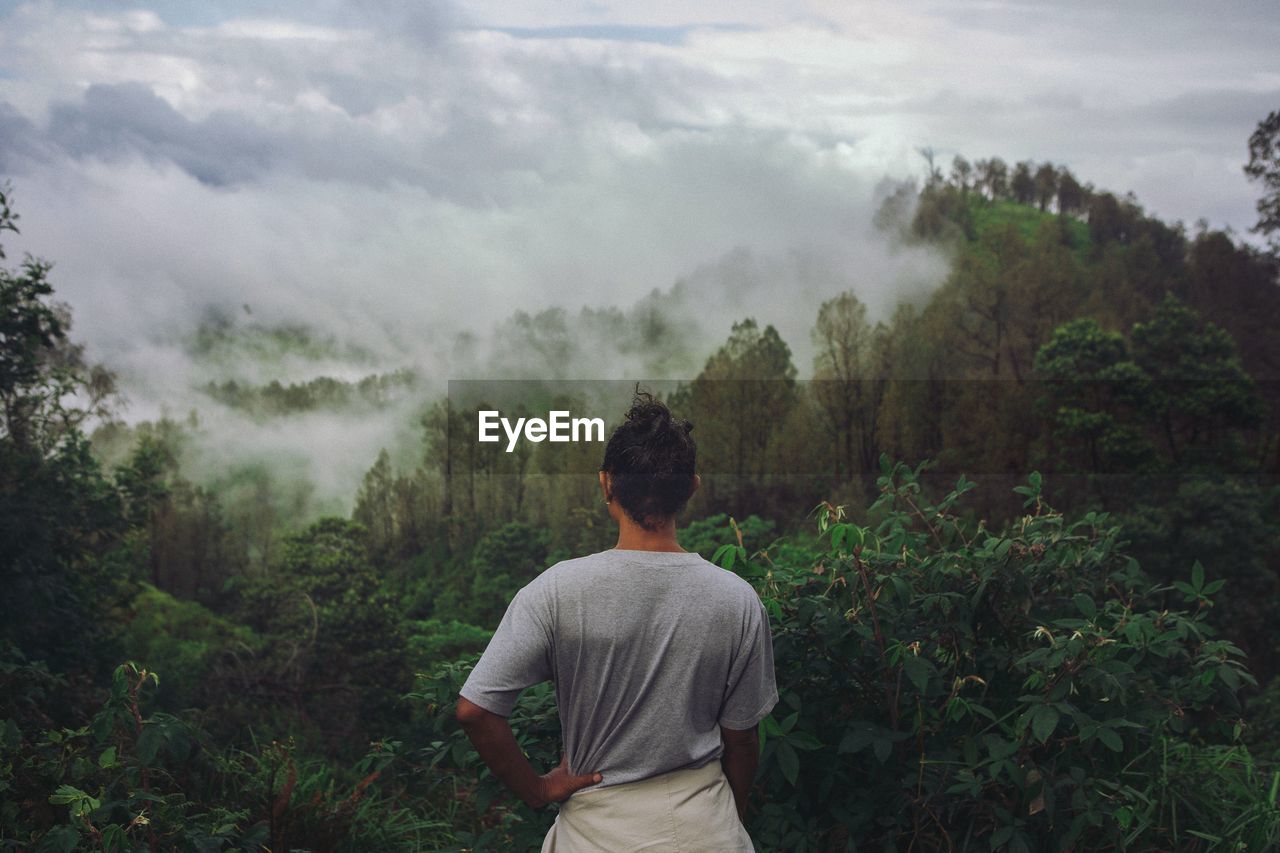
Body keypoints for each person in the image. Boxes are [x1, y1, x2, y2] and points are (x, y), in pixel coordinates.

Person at [456, 389, 779, 852]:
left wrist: (538, 789)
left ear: (607, 484)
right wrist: (729, 815)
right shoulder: (737, 599)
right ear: (691, 487)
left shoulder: (556, 591)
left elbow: (475, 710)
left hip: (596, 833)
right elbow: (742, 740)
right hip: (705, 828)